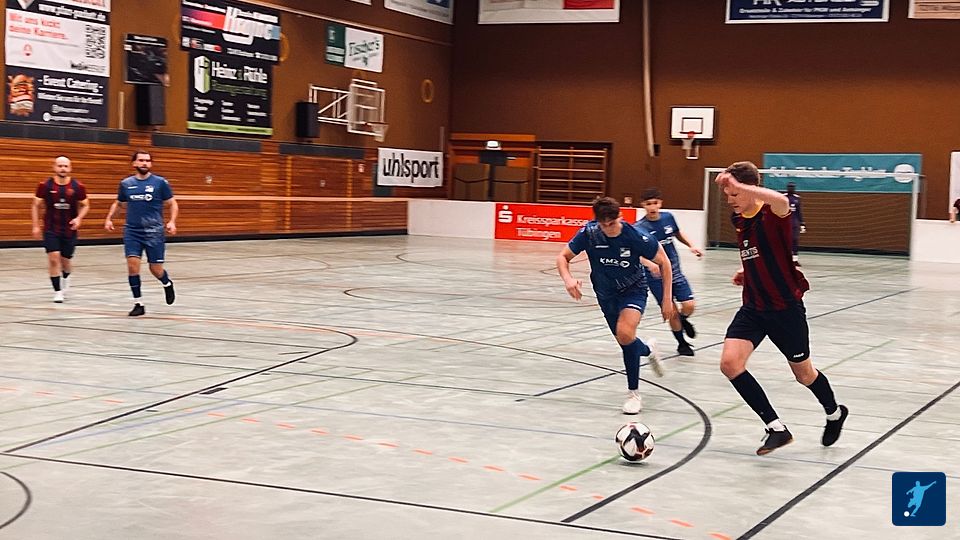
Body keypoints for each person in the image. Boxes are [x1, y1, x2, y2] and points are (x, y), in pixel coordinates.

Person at [715, 161, 848, 455]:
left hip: (785, 309)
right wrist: (747, 271)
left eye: (735, 194)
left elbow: (782, 201)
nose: (730, 200)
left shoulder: (773, 213)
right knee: (730, 364)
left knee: (804, 375)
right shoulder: (739, 219)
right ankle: (776, 428)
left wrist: (743, 187)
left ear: (750, 189)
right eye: (728, 195)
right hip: (754, 307)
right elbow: (760, 251)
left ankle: (834, 412)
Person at [557, 197, 675, 414]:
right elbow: (563, 257)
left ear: (619, 217)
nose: (608, 229)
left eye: (612, 223)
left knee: (625, 333)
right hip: (605, 294)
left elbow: (664, 262)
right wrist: (568, 280)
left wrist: (667, 300)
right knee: (625, 340)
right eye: (603, 225)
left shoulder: (636, 236)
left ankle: (633, 393)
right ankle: (648, 350)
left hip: (633, 290)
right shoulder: (590, 233)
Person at [104, 150, 178, 316]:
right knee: (132, 267)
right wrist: (109, 219)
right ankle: (138, 303)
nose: (144, 163)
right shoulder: (126, 184)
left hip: (154, 232)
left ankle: (166, 283)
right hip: (133, 231)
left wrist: (172, 221)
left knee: (156, 269)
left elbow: (172, 203)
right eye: (141, 160)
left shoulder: (160, 183)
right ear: (134, 163)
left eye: (147, 160)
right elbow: (119, 203)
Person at [635, 188, 702, 357]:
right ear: (643, 205)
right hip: (656, 278)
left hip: (675, 271)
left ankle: (683, 319)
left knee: (689, 305)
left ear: (660, 203)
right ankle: (682, 344)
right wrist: (650, 264)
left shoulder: (668, 218)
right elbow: (636, 253)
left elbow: (677, 234)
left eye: (655, 203)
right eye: (648, 204)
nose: (652, 207)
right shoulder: (640, 228)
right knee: (671, 312)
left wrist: (691, 246)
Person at [31, 156, 89, 303]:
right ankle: (57, 292)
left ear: (70, 168)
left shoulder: (77, 186)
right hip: (51, 229)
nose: (63, 168)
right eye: (60, 166)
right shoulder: (45, 185)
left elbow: (86, 204)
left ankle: (66, 279)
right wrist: (35, 225)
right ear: (54, 167)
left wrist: (79, 218)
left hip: (69, 229)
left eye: (65, 166)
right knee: (54, 259)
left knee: (65, 261)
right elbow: (35, 205)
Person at [785, 182, 805, 263]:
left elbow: (799, 212)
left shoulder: (797, 198)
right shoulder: (783, 197)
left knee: (795, 240)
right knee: (786, 240)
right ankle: (785, 258)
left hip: (794, 223)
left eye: (792, 187)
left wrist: (802, 224)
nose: (791, 188)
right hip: (785, 223)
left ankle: (795, 260)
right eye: (789, 187)